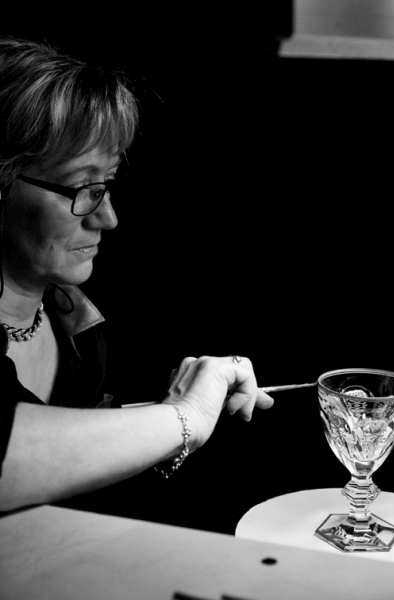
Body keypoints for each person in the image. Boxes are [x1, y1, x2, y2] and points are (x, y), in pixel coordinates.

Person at [0, 36, 274, 515]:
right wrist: (184, 416)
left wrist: (175, 416)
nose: (107, 218)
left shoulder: (80, 330)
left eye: (106, 186)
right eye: (83, 188)